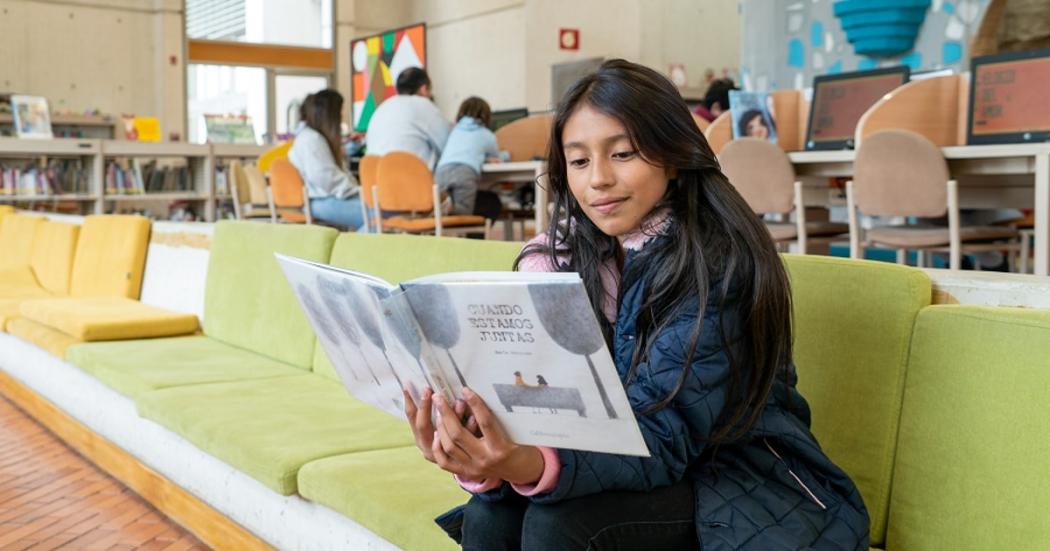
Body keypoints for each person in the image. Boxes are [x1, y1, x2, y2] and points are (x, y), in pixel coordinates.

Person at [404, 59, 869, 550]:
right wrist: (482, 449)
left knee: (558, 525)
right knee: (489, 516)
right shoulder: (567, 258)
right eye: (579, 162)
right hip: (644, 464)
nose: (598, 179)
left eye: (623, 153)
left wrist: (532, 463)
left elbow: (667, 434)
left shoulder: (717, 264)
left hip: (744, 481)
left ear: (671, 154)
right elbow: (556, 411)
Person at [288, 90, 364, 229]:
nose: (342, 116)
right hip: (321, 202)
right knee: (374, 215)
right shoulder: (312, 139)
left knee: (377, 211)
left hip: (324, 199)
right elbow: (325, 178)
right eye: (340, 111)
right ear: (330, 114)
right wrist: (356, 190)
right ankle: (353, 249)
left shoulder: (311, 137)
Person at [434, 97, 509, 220]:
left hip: (441, 171)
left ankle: (444, 204)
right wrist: (507, 155)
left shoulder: (454, 131)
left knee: (440, 210)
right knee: (464, 210)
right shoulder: (487, 135)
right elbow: (497, 157)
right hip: (464, 172)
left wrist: (482, 158)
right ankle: (449, 207)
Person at [365, 67, 450, 169]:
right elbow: (448, 147)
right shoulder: (423, 104)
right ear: (424, 89)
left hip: (376, 180)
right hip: (411, 180)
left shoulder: (382, 107)